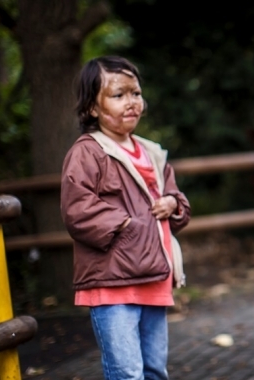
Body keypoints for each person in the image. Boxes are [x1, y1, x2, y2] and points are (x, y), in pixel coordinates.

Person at [60, 56, 191, 380]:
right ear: (92, 107)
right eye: (118, 95)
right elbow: (77, 209)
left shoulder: (152, 152)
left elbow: (177, 200)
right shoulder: (88, 152)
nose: (131, 102)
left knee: (154, 370)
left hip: (154, 277)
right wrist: (128, 226)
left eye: (135, 93)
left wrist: (173, 203)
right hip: (112, 281)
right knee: (126, 373)